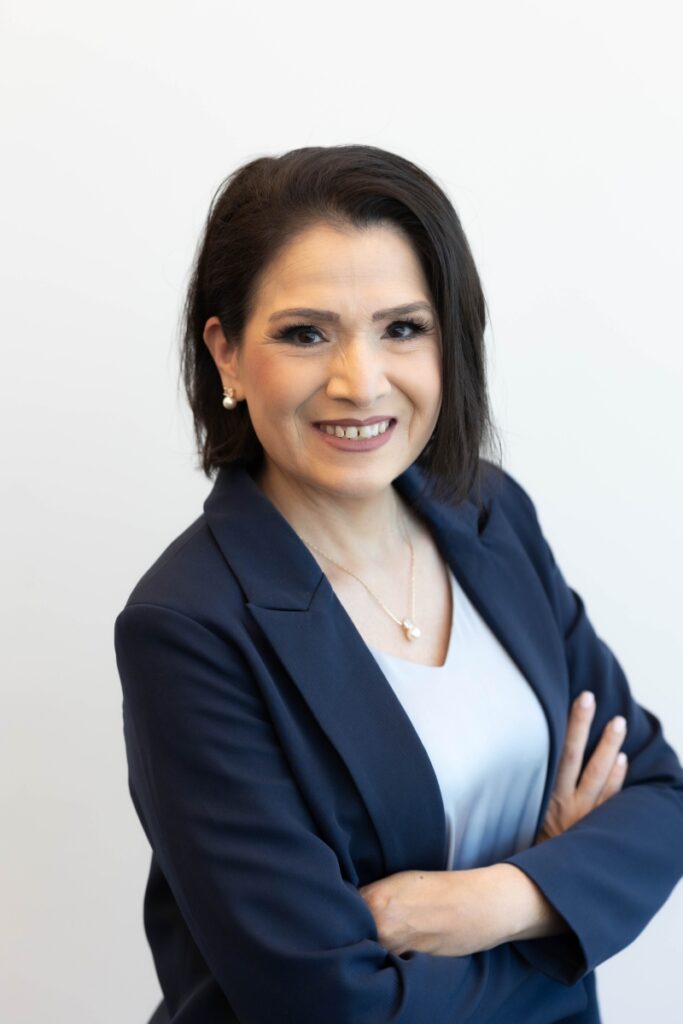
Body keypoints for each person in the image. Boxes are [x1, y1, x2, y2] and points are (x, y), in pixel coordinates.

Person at [114, 145, 683, 1024]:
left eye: (402, 328)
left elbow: (656, 796)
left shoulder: (487, 515)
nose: (361, 381)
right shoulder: (186, 626)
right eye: (306, 334)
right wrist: (565, 899)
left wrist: (488, 903)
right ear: (226, 355)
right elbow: (332, 1005)